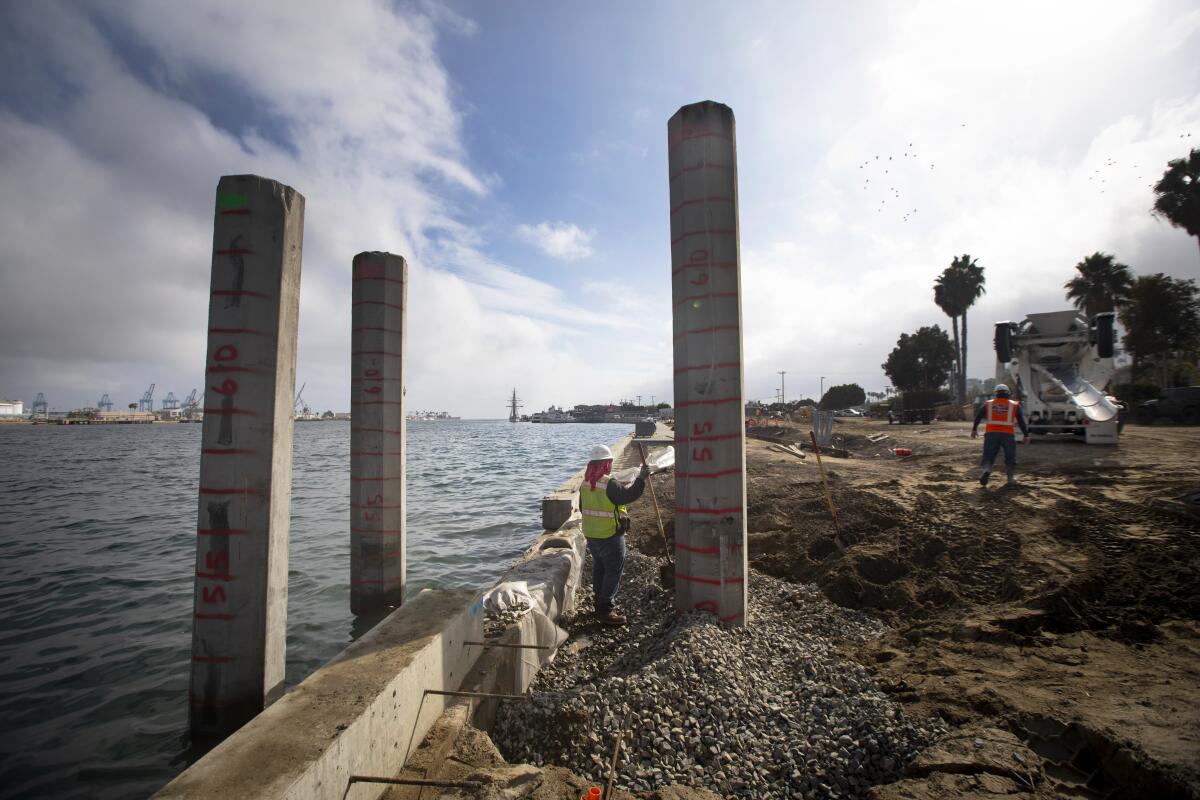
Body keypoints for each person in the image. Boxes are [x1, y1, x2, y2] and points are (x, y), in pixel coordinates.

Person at [579, 444, 648, 626]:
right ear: (606, 463)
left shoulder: (585, 484)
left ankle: (598, 599)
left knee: (599, 566)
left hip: (591, 534)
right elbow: (627, 495)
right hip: (610, 535)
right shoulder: (608, 483)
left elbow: (582, 508)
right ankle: (605, 609)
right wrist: (641, 479)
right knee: (613, 570)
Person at [971, 384, 1029, 487]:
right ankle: (1010, 478)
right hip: (1008, 435)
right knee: (1010, 455)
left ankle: (987, 469)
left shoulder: (988, 404)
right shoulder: (1014, 405)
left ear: (996, 394)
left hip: (991, 434)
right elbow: (1021, 421)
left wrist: (974, 429)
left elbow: (979, 415)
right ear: (1008, 393)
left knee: (988, 454)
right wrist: (1026, 435)